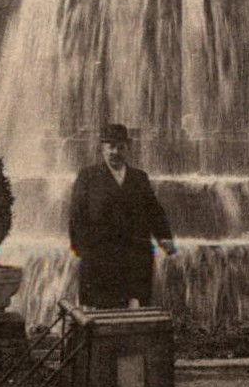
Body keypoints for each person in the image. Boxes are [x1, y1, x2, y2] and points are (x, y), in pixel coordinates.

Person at [68, 123, 178, 309]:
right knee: (102, 311)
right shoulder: (88, 177)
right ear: (102, 148)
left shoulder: (139, 178)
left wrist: (165, 237)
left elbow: (154, 210)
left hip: (134, 257)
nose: (115, 152)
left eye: (120, 147)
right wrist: (81, 248)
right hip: (100, 257)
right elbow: (76, 215)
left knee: (135, 310)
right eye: (110, 146)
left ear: (128, 148)